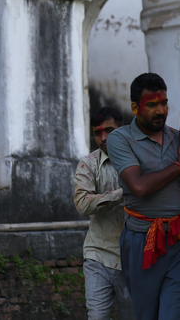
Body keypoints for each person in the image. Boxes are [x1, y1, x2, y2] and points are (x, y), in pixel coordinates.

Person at [106, 73, 180, 320]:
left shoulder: (179, 138)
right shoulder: (120, 139)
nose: (160, 110)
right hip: (143, 243)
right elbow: (138, 186)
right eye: (152, 105)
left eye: (163, 103)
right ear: (135, 107)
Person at [74, 107, 135, 320]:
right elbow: (82, 204)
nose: (103, 138)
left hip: (133, 258)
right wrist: (122, 193)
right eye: (97, 133)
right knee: (97, 317)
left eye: (109, 130)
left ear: (123, 129)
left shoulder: (139, 159)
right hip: (98, 254)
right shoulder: (88, 164)